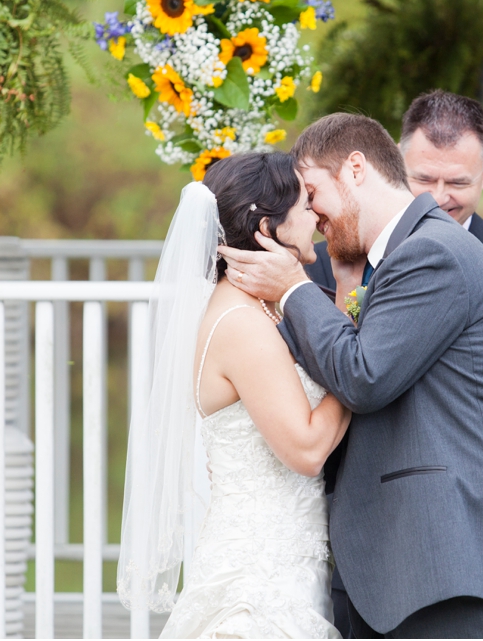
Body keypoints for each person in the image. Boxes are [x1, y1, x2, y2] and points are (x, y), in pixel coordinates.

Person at [220, 113, 483, 638]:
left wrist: (292, 289)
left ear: (355, 169)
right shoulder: (387, 260)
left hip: (462, 569)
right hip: (409, 570)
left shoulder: (432, 252)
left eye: (312, 191)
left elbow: (364, 375)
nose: (311, 213)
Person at [117, 152, 350, 638]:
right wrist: (358, 357)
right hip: (256, 578)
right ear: (268, 228)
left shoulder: (263, 311)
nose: (316, 216)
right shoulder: (242, 323)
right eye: (305, 205)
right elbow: (306, 449)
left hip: (287, 563)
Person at [308, 90, 483, 452]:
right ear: (395, 159)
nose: (438, 198)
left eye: (457, 183)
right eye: (423, 179)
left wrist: (458, 427)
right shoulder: (323, 263)